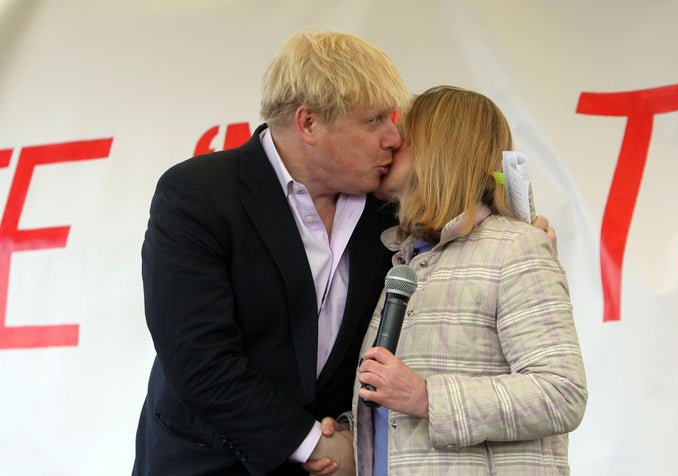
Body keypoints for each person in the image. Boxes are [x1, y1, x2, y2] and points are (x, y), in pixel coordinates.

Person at [131, 30, 411, 476]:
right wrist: (311, 443)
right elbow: (198, 358)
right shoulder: (197, 194)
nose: (393, 138)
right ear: (309, 124)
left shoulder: (388, 207)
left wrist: (518, 237)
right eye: (373, 121)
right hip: (210, 462)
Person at [309, 86, 588, 475]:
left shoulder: (515, 247)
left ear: (437, 149)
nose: (387, 143)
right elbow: (405, 411)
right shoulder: (406, 258)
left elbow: (562, 393)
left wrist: (426, 397)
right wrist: (351, 436)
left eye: (403, 138)